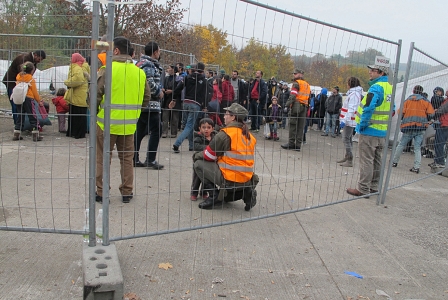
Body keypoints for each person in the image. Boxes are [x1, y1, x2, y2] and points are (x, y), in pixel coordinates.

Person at [95, 36, 151, 204]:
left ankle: (101, 192)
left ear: (116, 50)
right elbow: (146, 97)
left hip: (105, 123)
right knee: (127, 159)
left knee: (103, 158)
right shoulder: (140, 73)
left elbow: (95, 95)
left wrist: (96, 110)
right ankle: (127, 192)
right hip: (129, 125)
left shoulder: (107, 69)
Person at [193, 103, 257, 210]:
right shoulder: (248, 135)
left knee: (198, 163)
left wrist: (196, 155)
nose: (224, 116)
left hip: (230, 178)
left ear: (233, 117)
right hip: (247, 178)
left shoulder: (226, 134)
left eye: (226, 114)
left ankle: (214, 196)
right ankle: (246, 192)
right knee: (227, 198)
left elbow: (209, 155)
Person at [347, 57, 393, 197]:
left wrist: (363, 124)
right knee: (377, 160)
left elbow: (368, 107)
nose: (369, 73)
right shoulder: (390, 88)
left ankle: (363, 188)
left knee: (366, 160)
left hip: (369, 131)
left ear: (381, 72)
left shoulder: (376, 87)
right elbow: (393, 109)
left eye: (372, 70)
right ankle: (374, 186)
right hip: (382, 131)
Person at [133, 41, 164, 169]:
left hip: (142, 103)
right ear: (155, 52)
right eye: (159, 51)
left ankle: (134, 158)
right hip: (150, 104)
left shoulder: (140, 63)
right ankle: (150, 159)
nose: (160, 53)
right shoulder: (149, 65)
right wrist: (159, 91)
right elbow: (149, 82)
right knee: (157, 129)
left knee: (140, 130)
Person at [391, 85, 435, 173]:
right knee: (417, 148)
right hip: (421, 127)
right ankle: (416, 167)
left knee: (401, 145)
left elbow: (400, 112)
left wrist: (405, 118)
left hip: (408, 126)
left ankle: (394, 162)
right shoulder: (425, 101)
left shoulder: (407, 100)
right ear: (422, 92)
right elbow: (431, 113)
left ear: (413, 91)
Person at [172, 62, 209, 153]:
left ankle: (191, 146)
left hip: (185, 102)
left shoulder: (187, 77)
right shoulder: (204, 80)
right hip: (195, 104)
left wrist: (174, 99)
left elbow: (178, 88)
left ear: (195, 68)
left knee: (188, 125)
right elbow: (205, 94)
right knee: (189, 125)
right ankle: (177, 144)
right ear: (202, 70)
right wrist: (205, 106)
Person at [3, 50, 46, 125]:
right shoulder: (24, 59)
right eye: (39, 59)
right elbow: (24, 76)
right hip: (12, 83)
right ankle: (18, 123)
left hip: (18, 83)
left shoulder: (31, 61)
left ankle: (19, 125)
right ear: (35, 55)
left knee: (18, 106)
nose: (40, 61)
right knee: (15, 103)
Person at [12, 62, 44, 142]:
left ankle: (16, 133)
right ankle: (35, 135)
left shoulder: (18, 76)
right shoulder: (31, 79)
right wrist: (39, 100)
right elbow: (35, 92)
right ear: (32, 70)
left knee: (20, 115)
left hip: (19, 98)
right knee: (32, 116)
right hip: (29, 98)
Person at [281, 69, 310, 151]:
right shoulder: (307, 84)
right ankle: (298, 146)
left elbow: (293, 95)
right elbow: (309, 97)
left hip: (296, 105)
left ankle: (291, 143)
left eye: (295, 74)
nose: (294, 75)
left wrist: (286, 105)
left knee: (293, 125)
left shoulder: (296, 83)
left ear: (301, 74)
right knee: (301, 127)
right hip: (304, 106)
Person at [337, 77, 363, 167]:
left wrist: (344, 120)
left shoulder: (354, 94)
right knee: (348, 138)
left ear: (351, 84)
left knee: (346, 139)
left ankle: (350, 158)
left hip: (349, 120)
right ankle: (347, 156)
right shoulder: (353, 94)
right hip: (349, 119)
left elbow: (351, 109)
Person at [64, 53, 90, 139]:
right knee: (79, 115)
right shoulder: (83, 67)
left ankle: (75, 133)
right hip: (81, 95)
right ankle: (77, 132)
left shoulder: (78, 68)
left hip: (78, 94)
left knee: (76, 115)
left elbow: (77, 80)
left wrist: (67, 83)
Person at [190, 118, 217, 201]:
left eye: (209, 127)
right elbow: (196, 146)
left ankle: (204, 192)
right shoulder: (198, 137)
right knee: (197, 179)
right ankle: (194, 193)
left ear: (212, 129)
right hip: (199, 162)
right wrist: (208, 148)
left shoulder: (214, 138)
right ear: (199, 128)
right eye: (203, 127)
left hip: (209, 163)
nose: (206, 129)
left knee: (207, 178)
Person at [429, 94, 448, 169]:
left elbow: (442, 109)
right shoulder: (445, 100)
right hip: (444, 123)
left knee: (439, 143)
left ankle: (440, 162)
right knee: (439, 143)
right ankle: (438, 161)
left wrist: (436, 111)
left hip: (444, 124)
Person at [161, 65, 180, 138]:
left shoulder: (178, 78)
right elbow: (163, 86)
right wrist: (163, 89)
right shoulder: (166, 78)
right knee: (165, 117)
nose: (168, 70)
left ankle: (173, 133)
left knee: (174, 117)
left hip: (175, 99)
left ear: (173, 70)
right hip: (166, 99)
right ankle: (164, 132)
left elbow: (179, 89)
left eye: (169, 68)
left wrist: (172, 91)